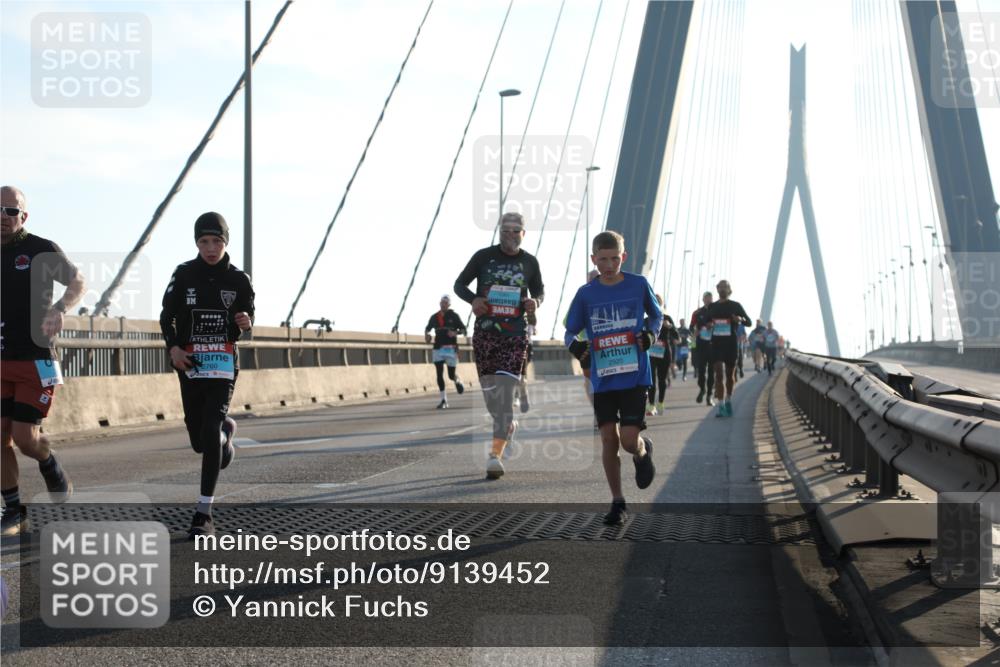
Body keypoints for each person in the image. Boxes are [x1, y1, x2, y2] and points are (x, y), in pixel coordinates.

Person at [160, 212, 254, 538]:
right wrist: (173, 349)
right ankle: (225, 438)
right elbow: (166, 317)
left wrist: (245, 322)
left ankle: (203, 514)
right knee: (201, 441)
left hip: (223, 364)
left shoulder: (239, 279)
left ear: (226, 242)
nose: (210, 248)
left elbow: (247, 316)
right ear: (197, 243)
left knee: (211, 426)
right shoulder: (184, 274)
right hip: (191, 364)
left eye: (216, 241)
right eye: (204, 241)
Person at [1, 186, 84, 536]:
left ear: (23, 216)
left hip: (35, 359)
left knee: (24, 438)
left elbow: (77, 280)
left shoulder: (40, 249)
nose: (3, 217)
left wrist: (60, 308)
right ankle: (14, 510)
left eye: (10, 211)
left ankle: (47, 461)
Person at [564, 231, 660, 526]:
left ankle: (643, 452)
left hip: (634, 376)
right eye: (602, 259)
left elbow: (656, 317)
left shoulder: (638, 284)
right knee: (609, 438)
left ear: (624, 257)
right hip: (604, 379)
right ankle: (618, 502)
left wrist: (649, 334)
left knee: (629, 441)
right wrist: (577, 347)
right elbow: (569, 330)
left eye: (614, 259)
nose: (609, 265)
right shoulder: (586, 294)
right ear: (594, 259)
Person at [454, 212, 543, 480]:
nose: (512, 235)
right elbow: (459, 285)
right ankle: (507, 427)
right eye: (507, 230)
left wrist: (535, 302)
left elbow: (539, 291)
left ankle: (495, 456)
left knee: (504, 398)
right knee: (493, 401)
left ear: (523, 234)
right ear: (499, 232)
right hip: (485, 334)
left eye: (517, 231)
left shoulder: (530, 262)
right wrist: (473, 300)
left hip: (514, 336)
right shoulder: (483, 257)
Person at [704, 280, 752, 417]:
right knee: (718, 374)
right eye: (721, 287)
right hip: (717, 344)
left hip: (731, 344)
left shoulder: (735, 306)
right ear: (717, 289)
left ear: (729, 289)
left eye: (726, 287)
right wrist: (708, 325)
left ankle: (729, 400)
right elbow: (706, 321)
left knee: (730, 376)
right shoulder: (712, 306)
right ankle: (721, 405)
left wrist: (739, 320)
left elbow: (749, 322)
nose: (723, 289)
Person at [424, 294, 466, 409]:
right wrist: (427, 335)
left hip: (450, 348)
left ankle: (457, 380)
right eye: (442, 303)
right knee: (439, 373)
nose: (443, 305)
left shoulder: (454, 316)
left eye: (445, 303)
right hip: (438, 348)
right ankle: (444, 400)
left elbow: (464, 329)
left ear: (449, 305)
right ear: (440, 303)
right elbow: (427, 328)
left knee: (451, 375)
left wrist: (455, 333)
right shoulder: (434, 317)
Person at [689, 292, 716, 406]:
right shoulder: (697, 312)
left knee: (711, 371)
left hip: (714, 345)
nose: (708, 300)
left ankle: (709, 395)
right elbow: (691, 327)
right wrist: (694, 331)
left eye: (710, 298)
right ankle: (702, 389)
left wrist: (713, 325)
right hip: (701, 345)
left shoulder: (717, 310)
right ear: (703, 299)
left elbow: (723, 323)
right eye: (706, 298)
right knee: (701, 371)